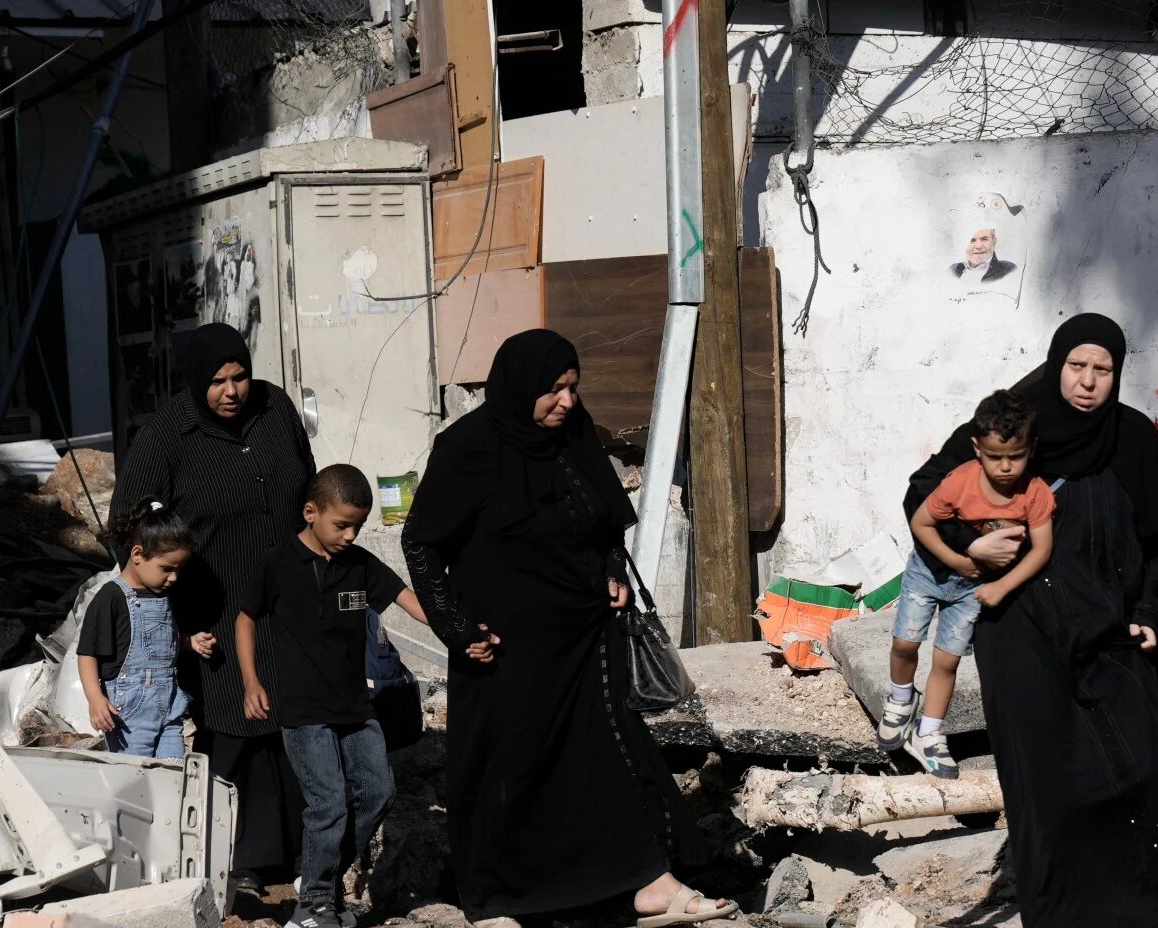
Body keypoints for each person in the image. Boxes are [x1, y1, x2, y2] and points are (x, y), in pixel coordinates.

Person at [905, 313, 1158, 927]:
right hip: (1020, 634)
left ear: (1117, 374)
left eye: (1102, 370)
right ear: (1058, 365)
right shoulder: (1008, 429)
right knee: (1051, 785)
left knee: (1150, 767)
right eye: (1077, 366)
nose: (1087, 382)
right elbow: (923, 495)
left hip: (1111, 632)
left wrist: (1156, 614)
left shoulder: (1132, 438)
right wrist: (966, 549)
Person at [402, 329, 736, 928]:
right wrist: (454, 625)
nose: (566, 402)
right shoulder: (468, 448)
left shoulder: (573, 438)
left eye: (573, 388)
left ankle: (646, 880)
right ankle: (500, 900)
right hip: (504, 650)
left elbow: (604, 522)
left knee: (607, 755)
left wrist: (612, 570)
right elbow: (422, 542)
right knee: (512, 768)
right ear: (518, 387)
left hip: (583, 636)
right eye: (552, 390)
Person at [236, 464, 497, 928]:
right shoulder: (277, 564)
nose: (351, 534)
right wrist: (252, 681)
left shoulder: (360, 565)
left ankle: (321, 881)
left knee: (378, 790)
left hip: (356, 707)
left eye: (358, 525)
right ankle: (311, 906)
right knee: (328, 803)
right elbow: (245, 617)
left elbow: (410, 600)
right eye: (342, 524)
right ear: (310, 512)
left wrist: (460, 631)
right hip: (303, 711)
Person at [111, 322, 316, 898]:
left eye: (240, 376)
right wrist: (161, 601)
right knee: (235, 721)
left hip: (287, 595)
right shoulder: (166, 435)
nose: (232, 390)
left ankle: (304, 847)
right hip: (214, 601)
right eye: (219, 381)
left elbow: (308, 480)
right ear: (197, 381)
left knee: (293, 713)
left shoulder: (275, 409)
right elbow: (127, 525)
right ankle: (237, 853)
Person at [881, 389, 1054, 779]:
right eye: (995, 457)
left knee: (947, 660)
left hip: (971, 592)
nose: (1006, 467)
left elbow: (1041, 551)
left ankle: (929, 733)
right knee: (905, 642)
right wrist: (961, 559)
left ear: (1032, 449)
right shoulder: (959, 482)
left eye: (1017, 456)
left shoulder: (1036, 493)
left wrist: (1001, 586)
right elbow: (921, 523)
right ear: (977, 448)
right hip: (929, 573)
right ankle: (900, 698)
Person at [78, 497, 195, 758]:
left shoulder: (164, 597)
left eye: (179, 570)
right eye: (166, 568)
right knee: (137, 783)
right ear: (138, 555)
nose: (173, 577)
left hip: (170, 711)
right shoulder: (111, 597)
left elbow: (161, 644)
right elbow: (87, 653)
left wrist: (189, 643)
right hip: (129, 718)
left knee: (172, 777)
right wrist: (95, 698)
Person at [949, 227, 1017, 282]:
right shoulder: (952, 270)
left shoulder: (1008, 270)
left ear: (994, 243)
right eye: (972, 240)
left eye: (984, 239)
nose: (978, 246)